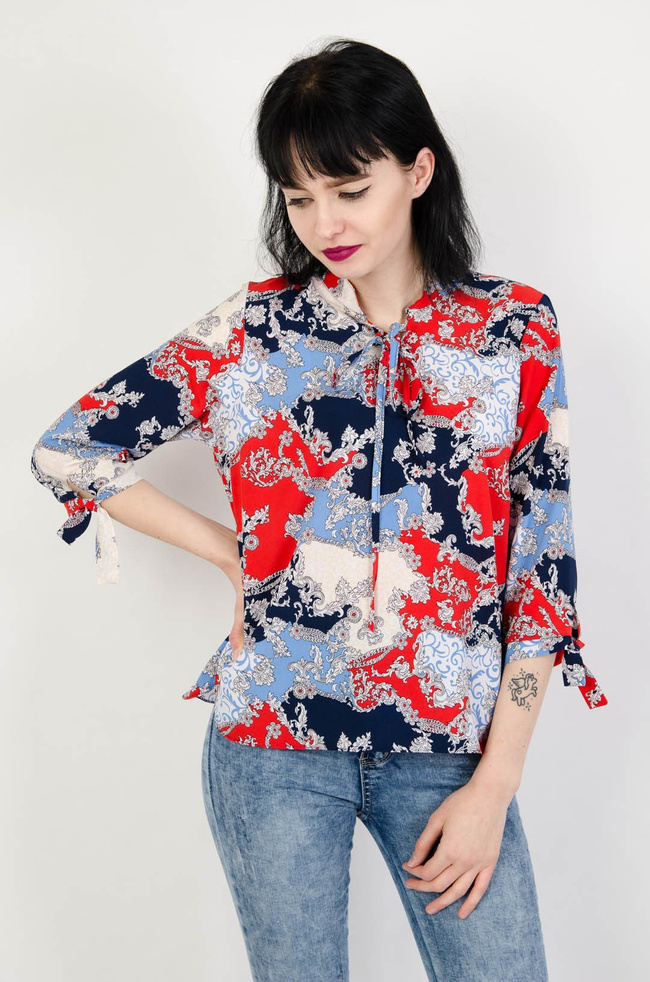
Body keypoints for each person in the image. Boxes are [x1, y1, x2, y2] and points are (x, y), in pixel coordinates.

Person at [30, 37, 608, 982]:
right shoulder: (250, 331)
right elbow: (69, 449)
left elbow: (540, 573)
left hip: (450, 750)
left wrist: (496, 782)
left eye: (349, 188)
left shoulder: (513, 331)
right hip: (272, 744)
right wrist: (231, 553)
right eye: (298, 197)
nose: (324, 223)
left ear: (418, 171)